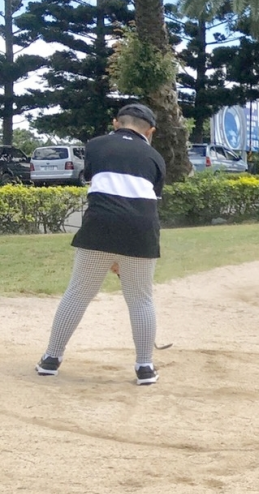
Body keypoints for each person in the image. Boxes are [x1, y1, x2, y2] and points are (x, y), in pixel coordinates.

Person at [35, 104, 166, 386]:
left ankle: (51, 359)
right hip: (141, 231)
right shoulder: (155, 157)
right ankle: (145, 367)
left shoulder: (95, 145)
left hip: (100, 226)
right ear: (150, 131)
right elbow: (148, 199)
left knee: (78, 293)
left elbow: (98, 183)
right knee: (141, 299)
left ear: (116, 123)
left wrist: (112, 251)